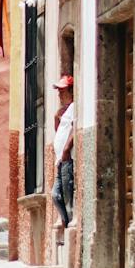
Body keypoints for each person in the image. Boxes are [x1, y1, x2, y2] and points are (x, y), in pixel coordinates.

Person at [51, 76, 76, 231]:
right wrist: (56, 117)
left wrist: (66, 150)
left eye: (62, 90)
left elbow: (73, 128)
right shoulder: (65, 110)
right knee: (55, 195)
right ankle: (66, 222)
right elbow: (59, 131)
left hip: (66, 159)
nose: (59, 94)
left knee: (65, 195)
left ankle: (69, 223)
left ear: (71, 91)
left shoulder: (74, 107)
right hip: (60, 161)